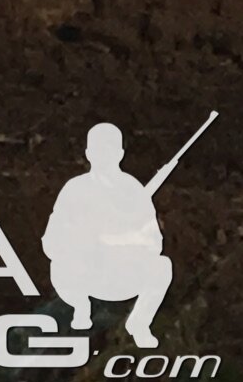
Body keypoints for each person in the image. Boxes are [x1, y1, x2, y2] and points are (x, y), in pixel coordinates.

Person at [45, 121, 178, 348]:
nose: (103, 155)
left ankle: (139, 323)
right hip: (82, 275)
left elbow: (154, 242)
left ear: (120, 154)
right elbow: (51, 240)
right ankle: (80, 306)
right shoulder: (74, 189)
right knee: (61, 267)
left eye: (109, 149)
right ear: (88, 153)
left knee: (162, 267)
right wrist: (82, 243)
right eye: (98, 149)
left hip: (120, 274)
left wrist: (125, 241)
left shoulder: (133, 190)